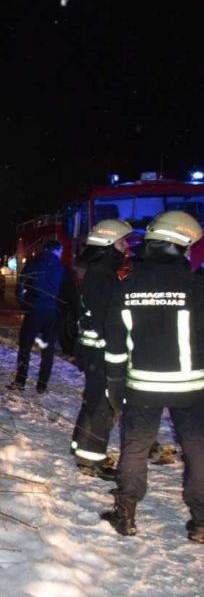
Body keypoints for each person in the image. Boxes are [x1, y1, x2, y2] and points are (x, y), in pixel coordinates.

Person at [101, 210, 204, 542]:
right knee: (198, 450)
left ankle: (126, 513)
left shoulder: (126, 286)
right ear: (180, 246)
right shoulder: (197, 286)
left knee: (134, 448)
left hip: (142, 387)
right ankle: (202, 522)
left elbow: (115, 344)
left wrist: (115, 383)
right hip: (192, 387)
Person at [70, 219, 133, 480]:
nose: (126, 247)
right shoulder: (103, 276)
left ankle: (81, 448)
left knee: (95, 400)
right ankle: (91, 461)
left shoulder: (96, 272)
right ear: (108, 245)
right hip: (102, 353)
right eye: (121, 242)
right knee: (103, 405)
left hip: (94, 352)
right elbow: (107, 320)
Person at [9, 239, 77, 393]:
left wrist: (26, 305)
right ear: (57, 251)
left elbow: (19, 289)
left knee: (25, 347)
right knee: (48, 350)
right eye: (60, 252)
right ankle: (41, 385)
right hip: (52, 315)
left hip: (33, 312)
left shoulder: (32, 266)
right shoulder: (63, 270)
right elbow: (70, 296)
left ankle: (20, 381)